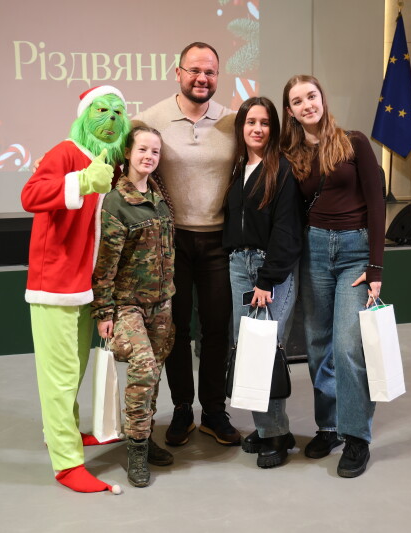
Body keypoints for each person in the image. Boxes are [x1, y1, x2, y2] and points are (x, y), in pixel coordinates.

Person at [21, 85, 131, 495]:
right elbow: (30, 195)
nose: (111, 119)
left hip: (86, 285)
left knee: (75, 369)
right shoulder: (66, 152)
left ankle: (60, 433)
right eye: (102, 111)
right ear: (85, 115)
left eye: (118, 113)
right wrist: (81, 181)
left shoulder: (109, 160)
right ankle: (67, 464)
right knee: (61, 377)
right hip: (55, 285)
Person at [132, 42, 240, 447]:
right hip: (170, 242)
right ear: (177, 72)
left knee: (216, 328)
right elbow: (116, 163)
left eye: (210, 72)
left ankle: (213, 410)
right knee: (174, 329)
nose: (202, 78)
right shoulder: (149, 119)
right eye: (194, 70)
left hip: (219, 241)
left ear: (218, 76)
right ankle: (182, 409)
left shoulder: (234, 122)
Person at [281, 75, 385, 478]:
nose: (307, 104)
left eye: (312, 96)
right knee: (318, 345)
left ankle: (357, 437)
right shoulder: (291, 154)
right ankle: (329, 427)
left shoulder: (354, 142)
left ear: (322, 99)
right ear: (290, 111)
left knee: (347, 347)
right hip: (314, 252)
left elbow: (377, 203)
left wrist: (376, 267)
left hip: (355, 252)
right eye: (298, 101)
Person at [91, 126, 176, 487]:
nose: (149, 157)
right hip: (127, 305)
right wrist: (103, 312)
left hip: (161, 303)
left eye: (155, 151)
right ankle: (136, 449)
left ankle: (144, 434)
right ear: (127, 153)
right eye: (142, 149)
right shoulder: (116, 202)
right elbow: (105, 264)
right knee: (143, 366)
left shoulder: (159, 197)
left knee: (153, 374)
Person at [222, 96, 302, 468]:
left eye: (265, 122)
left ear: (274, 128)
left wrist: (267, 280)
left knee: (264, 350)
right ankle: (272, 428)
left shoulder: (282, 169)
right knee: (248, 349)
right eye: (251, 122)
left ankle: (275, 436)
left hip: (270, 271)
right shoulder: (238, 168)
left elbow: (287, 230)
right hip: (239, 265)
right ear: (241, 127)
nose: (257, 128)